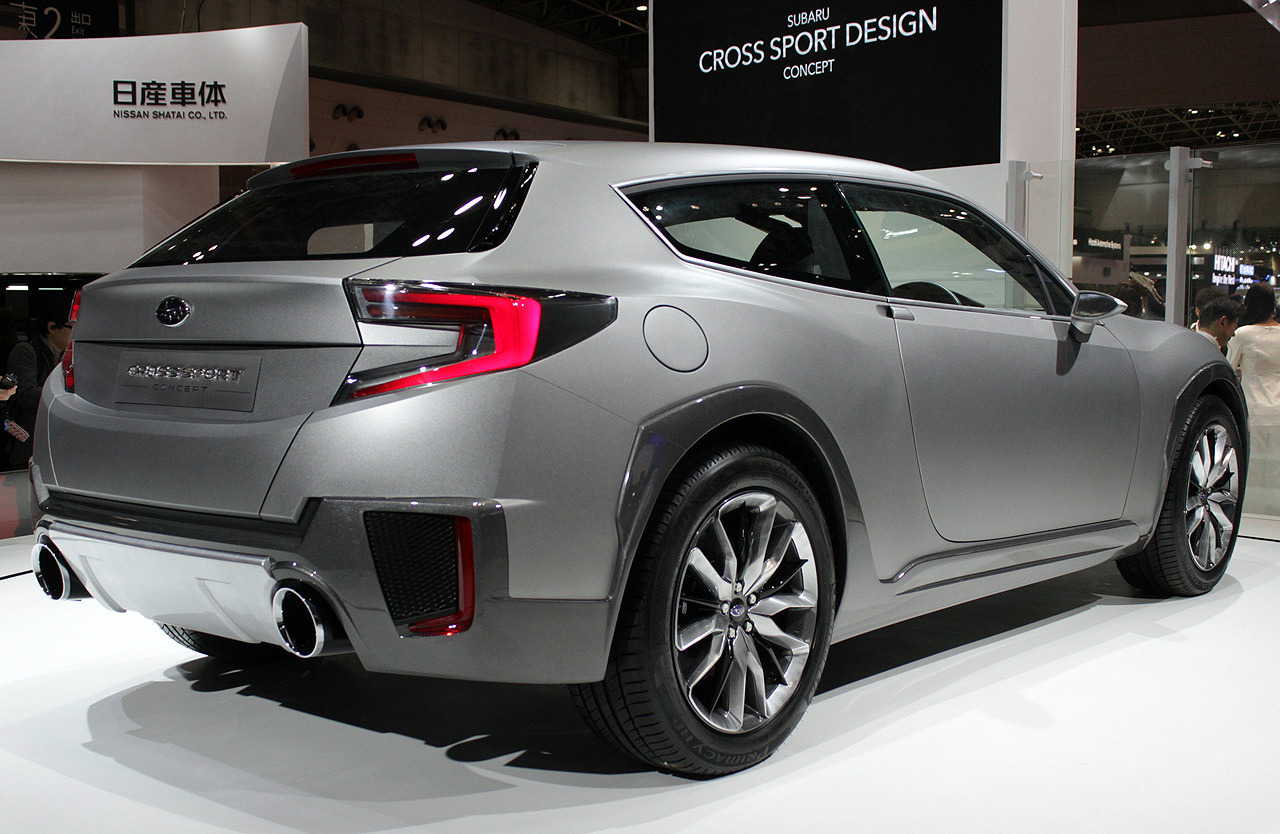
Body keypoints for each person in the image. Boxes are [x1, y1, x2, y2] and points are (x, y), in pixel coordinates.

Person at [1227, 283, 1280, 514]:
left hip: (1253, 408)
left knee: (1251, 466)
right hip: (1278, 410)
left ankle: (1249, 511)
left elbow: (1228, 369)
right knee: (1276, 468)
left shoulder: (1243, 334)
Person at [5, 300, 73, 469]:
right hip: (27, 441)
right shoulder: (26, 351)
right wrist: (67, 394)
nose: (76, 333)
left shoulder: (64, 356)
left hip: (50, 441)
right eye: (72, 327)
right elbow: (24, 394)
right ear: (52, 327)